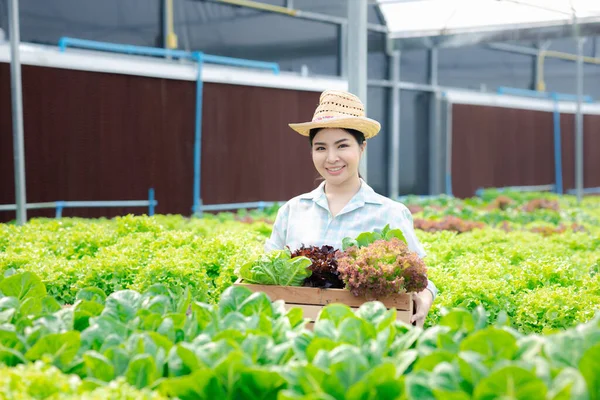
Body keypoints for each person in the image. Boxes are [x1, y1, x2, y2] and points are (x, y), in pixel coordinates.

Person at [264, 89, 436, 327]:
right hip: (298, 335)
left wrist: (425, 298)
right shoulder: (293, 210)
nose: (331, 158)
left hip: (367, 336)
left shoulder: (390, 213)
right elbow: (267, 275)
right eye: (320, 148)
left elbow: (422, 279)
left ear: (362, 147)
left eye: (342, 145)